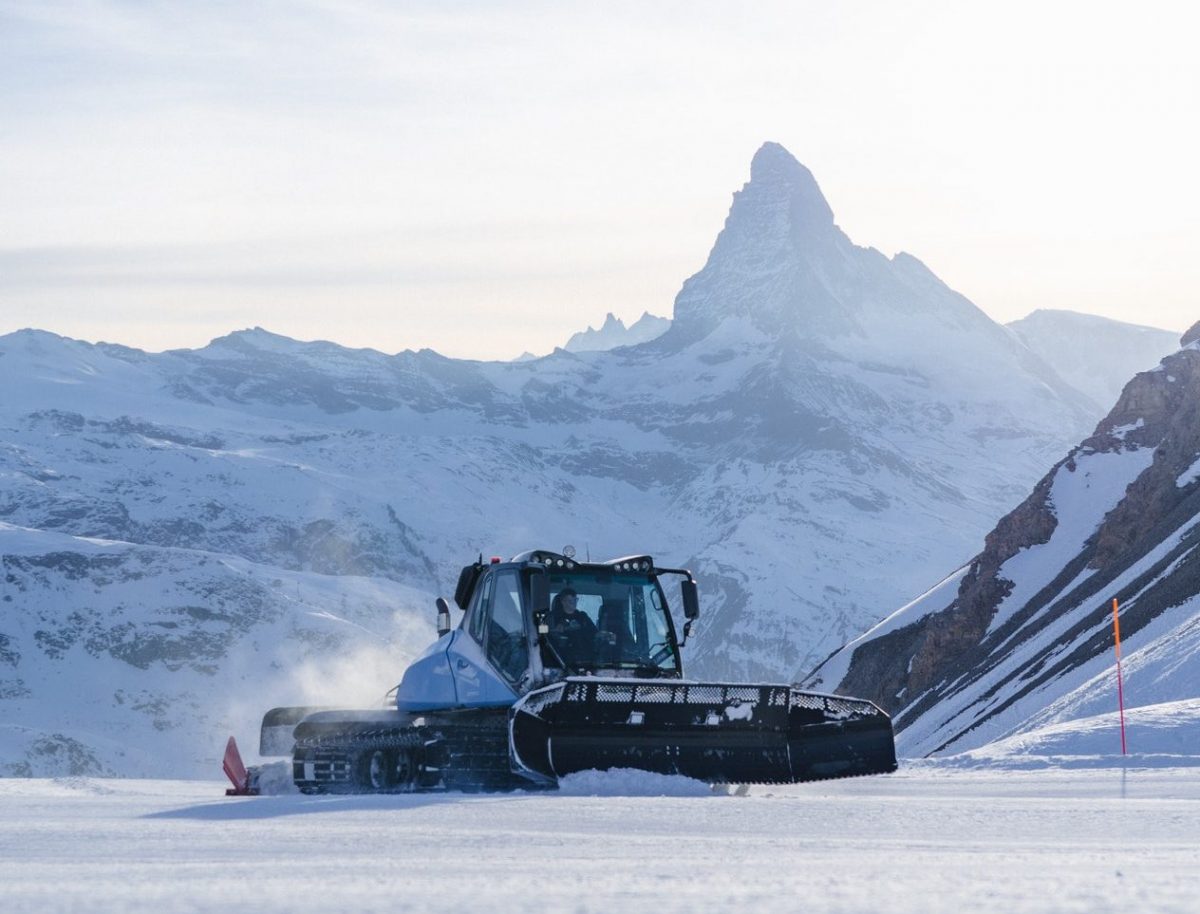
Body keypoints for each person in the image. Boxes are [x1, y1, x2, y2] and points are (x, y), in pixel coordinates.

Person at [547, 588, 613, 667]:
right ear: (563, 602)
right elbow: (549, 637)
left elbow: (595, 633)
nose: (574, 603)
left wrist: (606, 635)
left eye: (575, 600)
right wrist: (561, 630)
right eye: (570, 601)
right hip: (562, 660)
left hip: (586, 659)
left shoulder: (582, 616)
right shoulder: (553, 618)